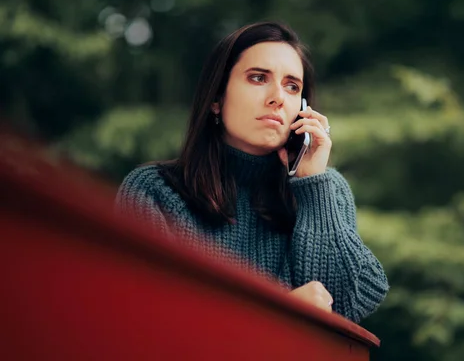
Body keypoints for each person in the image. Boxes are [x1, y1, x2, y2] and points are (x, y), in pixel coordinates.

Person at [115, 21, 388, 323]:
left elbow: (347, 305)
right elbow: (148, 316)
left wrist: (312, 185)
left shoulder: (325, 190)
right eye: (258, 78)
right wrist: (276, 311)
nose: (278, 98)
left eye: (292, 86)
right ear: (216, 99)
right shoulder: (154, 192)